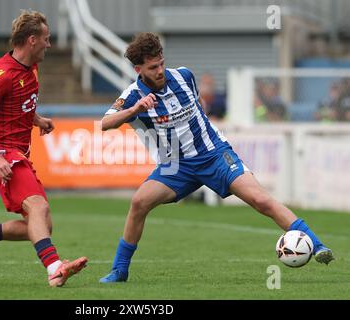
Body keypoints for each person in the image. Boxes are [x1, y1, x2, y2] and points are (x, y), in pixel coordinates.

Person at [99, 32, 334, 283]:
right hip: (176, 166)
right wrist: (135, 110)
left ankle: (318, 246)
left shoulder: (184, 76)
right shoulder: (133, 94)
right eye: (153, 67)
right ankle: (119, 270)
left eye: (162, 63)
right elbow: (105, 123)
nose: (160, 70)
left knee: (261, 199)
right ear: (138, 68)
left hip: (214, 154)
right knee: (138, 203)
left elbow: (198, 102)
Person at [0, 10, 87, 287]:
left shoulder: (32, 68)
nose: (49, 45)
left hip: (20, 154)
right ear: (31, 40)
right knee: (38, 208)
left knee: (41, 226)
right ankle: (54, 268)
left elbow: (19, 102)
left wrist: (36, 119)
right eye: (46, 39)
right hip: (4, 155)